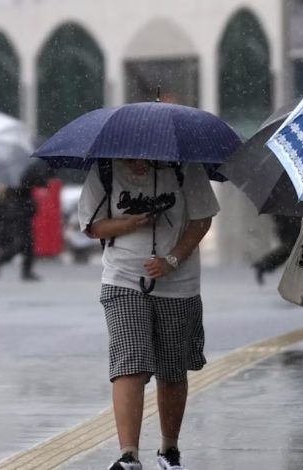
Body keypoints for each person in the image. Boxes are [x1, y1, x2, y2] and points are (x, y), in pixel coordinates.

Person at [78, 159, 219, 470]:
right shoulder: (104, 169)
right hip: (123, 279)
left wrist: (172, 260)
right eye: (131, 158)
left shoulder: (185, 167)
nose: (137, 163)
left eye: (144, 158)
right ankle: (128, 456)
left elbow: (202, 219)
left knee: (172, 369)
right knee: (130, 362)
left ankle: (169, 449)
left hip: (179, 284)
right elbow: (92, 226)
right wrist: (130, 224)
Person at [0, 160, 50, 281]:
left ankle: (25, 270)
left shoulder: (12, 173)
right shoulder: (22, 173)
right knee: (24, 242)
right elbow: (37, 183)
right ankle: (0, 260)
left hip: (19, 211)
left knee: (27, 243)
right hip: (21, 212)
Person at [252, 214, 301, 285]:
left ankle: (264, 264)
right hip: (290, 231)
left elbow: (276, 217)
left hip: (289, 230)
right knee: (288, 252)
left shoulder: (289, 212)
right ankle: (264, 265)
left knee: (287, 252)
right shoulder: (290, 212)